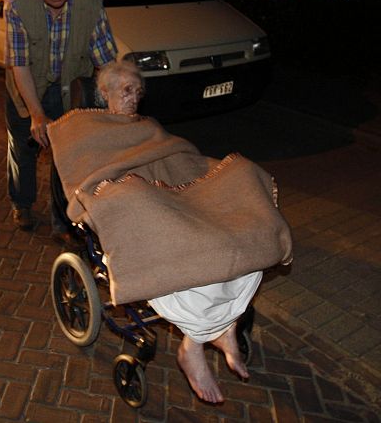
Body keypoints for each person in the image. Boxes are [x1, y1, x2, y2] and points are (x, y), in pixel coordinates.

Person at [49, 61, 292, 404]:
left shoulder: (147, 125)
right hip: (127, 196)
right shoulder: (82, 126)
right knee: (142, 202)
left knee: (241, 195)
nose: (135, 98)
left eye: (139, 91)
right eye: (126, 90)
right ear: (103, 94)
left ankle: (215, 330)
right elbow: (83, 172)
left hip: (171, 191)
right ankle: (203, 339)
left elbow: (175, 154)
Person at [4, 0, 117, 240]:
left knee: (66, 156)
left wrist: (118, 99)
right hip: (27, 88)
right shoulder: (17, 5)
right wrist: (36, 115)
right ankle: (22, 202)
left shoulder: (90, 3)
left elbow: (106, 62)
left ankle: (61, 221)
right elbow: (20, 65)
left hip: (70, 89)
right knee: (24, 149)